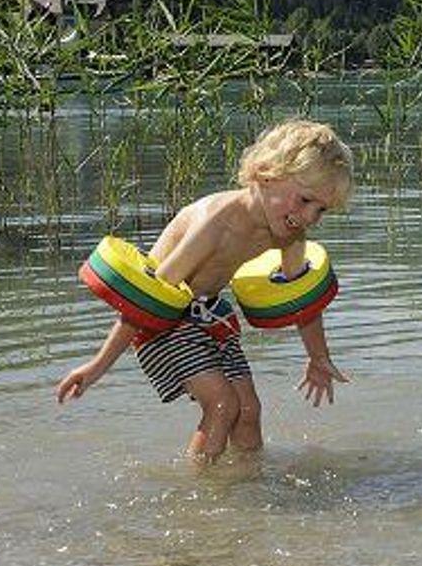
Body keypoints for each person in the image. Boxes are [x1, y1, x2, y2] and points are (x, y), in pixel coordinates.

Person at [56, 118, 354, 459]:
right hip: (162, 322)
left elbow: (299, 297)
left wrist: (318, 357)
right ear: (267, 175)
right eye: (305, 200)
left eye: (320, 209)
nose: (309, 217)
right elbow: (150, 299)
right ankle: (200, 486)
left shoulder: (291, 232)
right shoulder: (216, 223)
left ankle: (249, 482)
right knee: (223, 405)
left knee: (248, 410)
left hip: (210, 315)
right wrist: (97, 367)